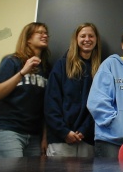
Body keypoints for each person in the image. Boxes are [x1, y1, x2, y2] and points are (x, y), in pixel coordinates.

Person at [0, 22, 51, 158]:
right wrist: (22, 73)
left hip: (34, 136)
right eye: (39, 32)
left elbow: (45, 107)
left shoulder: (46, 69)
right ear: (28, 38)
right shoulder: (12, 61)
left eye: (46, 33)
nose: (45, 35)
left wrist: (45, 137)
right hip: (7, 131)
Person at [87, 28, 123, 158]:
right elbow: (96, 101)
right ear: (122, 45)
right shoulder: (110, 64)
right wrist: (115, 124)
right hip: (109, 140)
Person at [44, 23, 101, 157]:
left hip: (86, 141)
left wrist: (84, 130)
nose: (87, 39)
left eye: (91, 36)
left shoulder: (100, 70)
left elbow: (98, 106)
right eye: (83, 36)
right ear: (76, 39)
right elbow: (51, 102)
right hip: (61, 140)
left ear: (96, 40)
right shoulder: (62, 65)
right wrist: (64, 132)